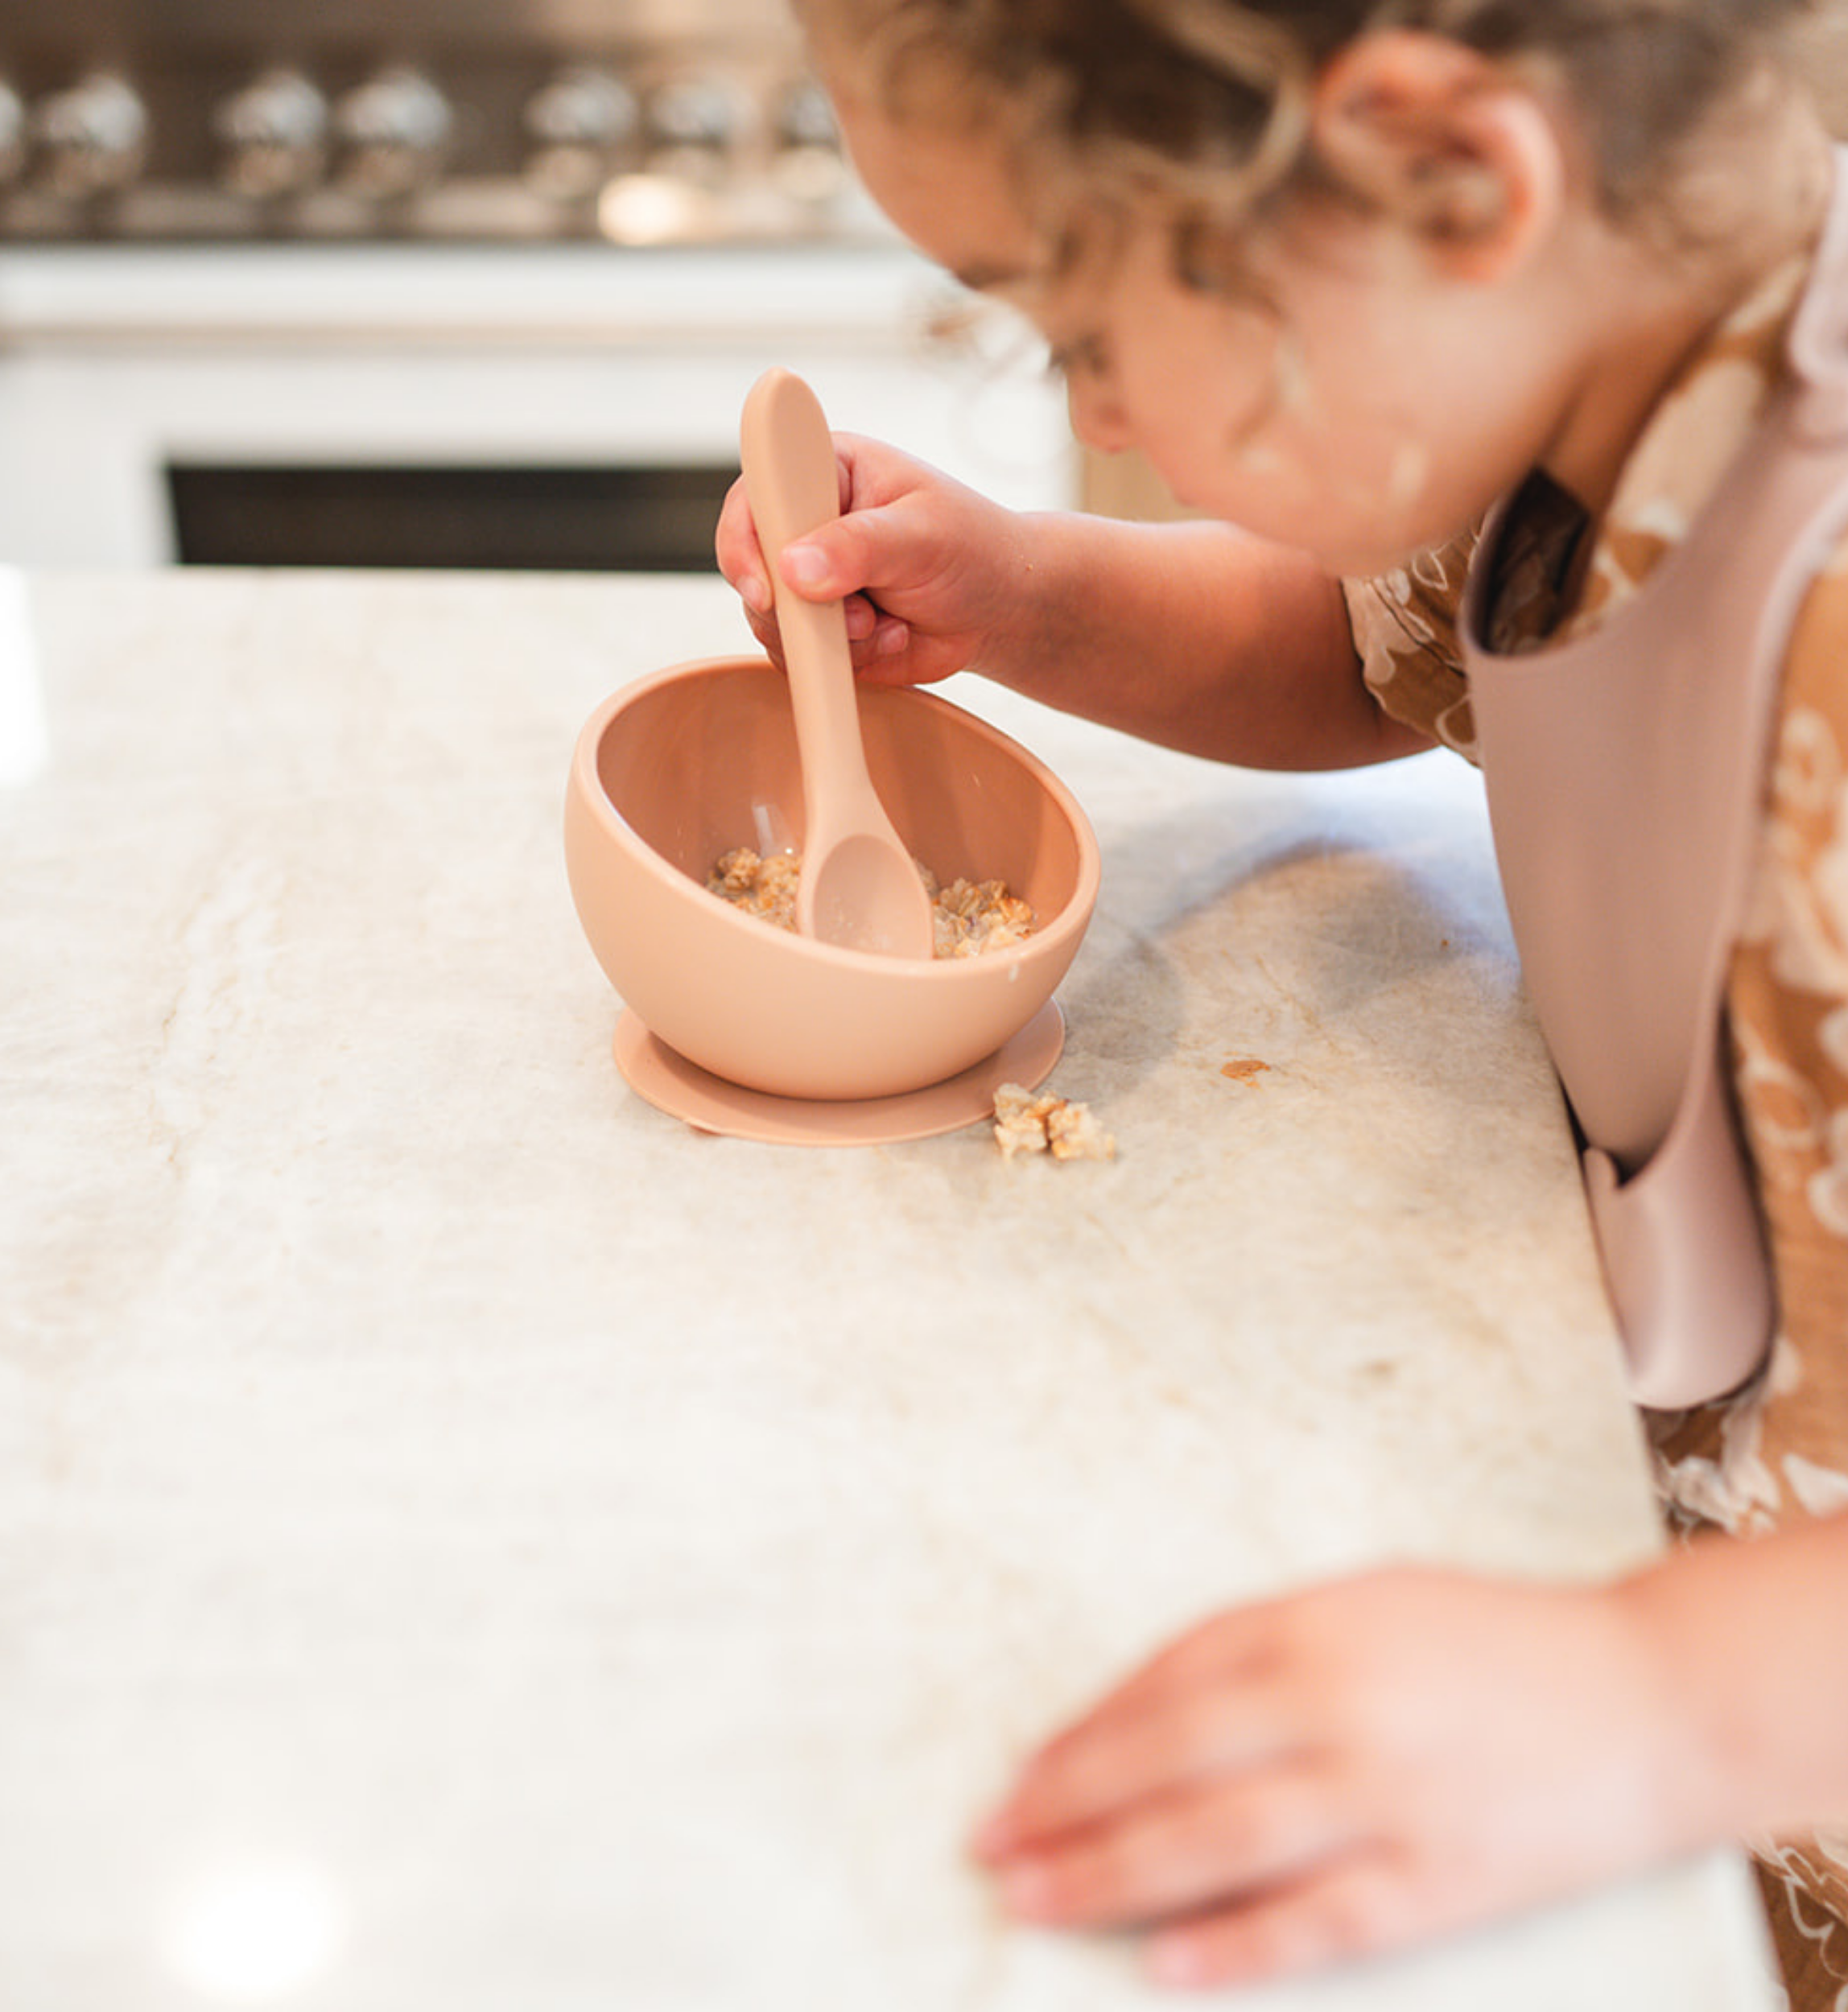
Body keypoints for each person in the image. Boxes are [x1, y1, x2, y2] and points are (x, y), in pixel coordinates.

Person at [714, 2, 1848, 2004]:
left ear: (1453, 178)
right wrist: (1037, 592)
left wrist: (1657, 1700)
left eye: (1078, 321)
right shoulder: (1577, 398)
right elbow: (1365, 645)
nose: (1106, 410)